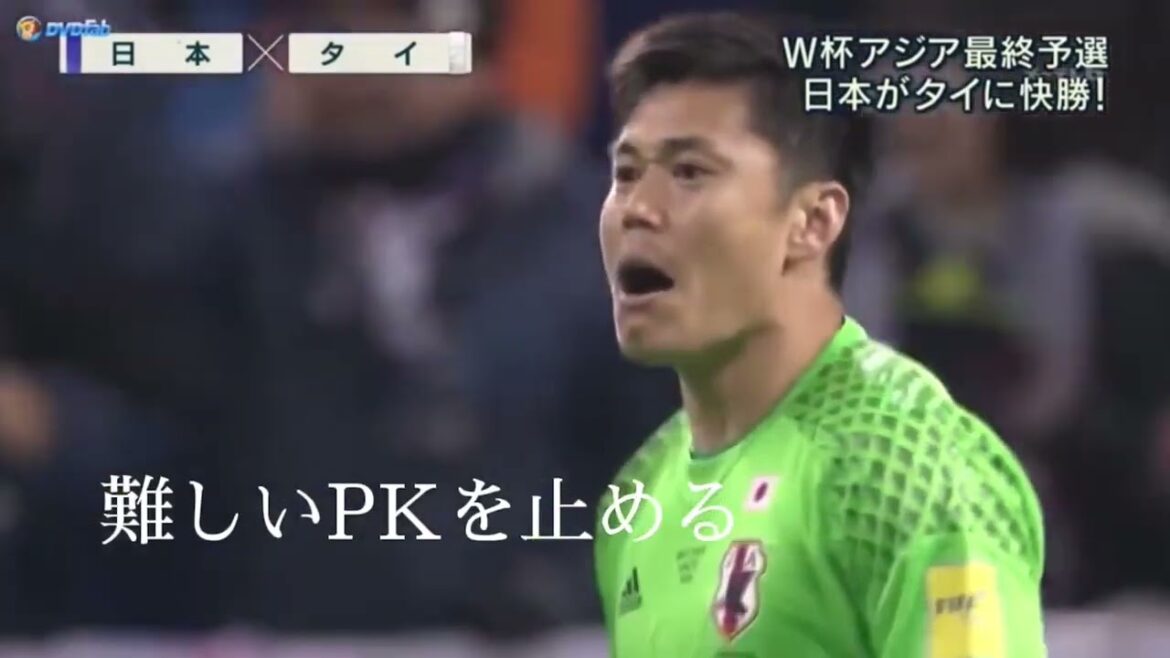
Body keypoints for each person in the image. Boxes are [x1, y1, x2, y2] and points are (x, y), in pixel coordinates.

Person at [592, 11, 1047, 657]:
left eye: (689, 171)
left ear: (812, 222)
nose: (638, 208)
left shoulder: (905, 465)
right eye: (626, 173)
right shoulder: (639, 497)